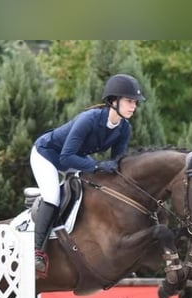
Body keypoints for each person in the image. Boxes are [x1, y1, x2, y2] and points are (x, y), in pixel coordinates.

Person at [30, 73, 146, 278]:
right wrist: (97, 165)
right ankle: (36, 252)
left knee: (92, 192)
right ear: (113, 101)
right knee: (53, 197)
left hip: (74, 159)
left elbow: (116, 164)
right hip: (47, 155)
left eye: (135, 102)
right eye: (129, 101)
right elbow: (66, 157)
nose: (134, 106)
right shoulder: (89, 120)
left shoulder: (124, 129)